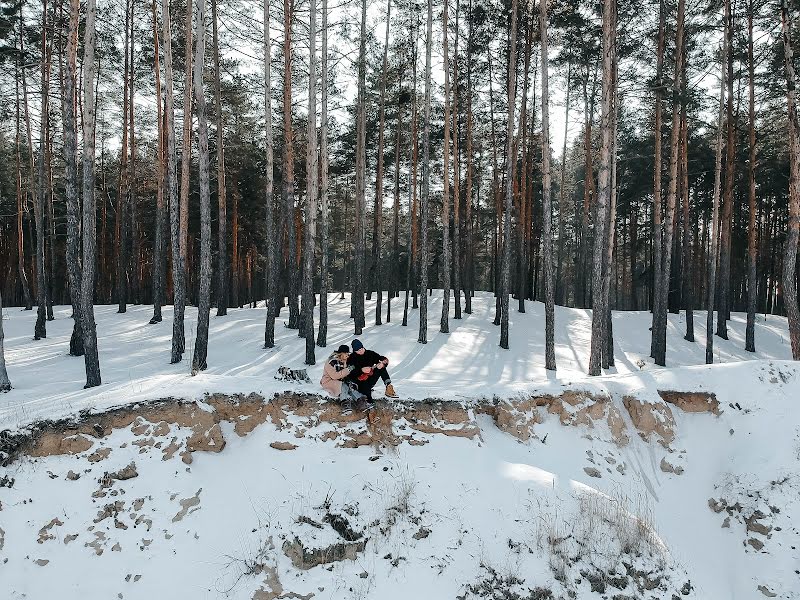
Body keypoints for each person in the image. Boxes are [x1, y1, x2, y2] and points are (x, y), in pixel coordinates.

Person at [320, 344, 365, 413]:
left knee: (350, 385)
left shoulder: (344, 361)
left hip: (339, 381)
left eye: (348, 354)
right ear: (341, 353)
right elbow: (334, 376)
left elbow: (345, 375)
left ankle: (361, 402)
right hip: (328, 381)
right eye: (346, 354)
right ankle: (345, 404)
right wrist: (348, 370)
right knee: (343, 386)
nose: (347, 355)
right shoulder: (332, 362)